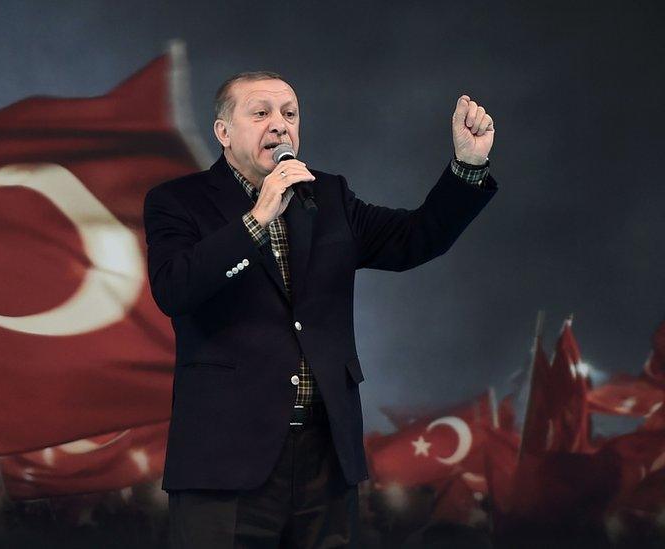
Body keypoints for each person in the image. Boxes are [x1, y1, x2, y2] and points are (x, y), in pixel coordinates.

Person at [143, 71, 497, 548]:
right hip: (224, 464)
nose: (280, 125)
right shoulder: (177, 202)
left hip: (324, 460)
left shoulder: (327, 197)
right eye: (261, 113)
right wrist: (255, 220)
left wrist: (467, 168)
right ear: (223, 132)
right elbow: (174, 289)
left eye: (290, 114)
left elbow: (416, 239)